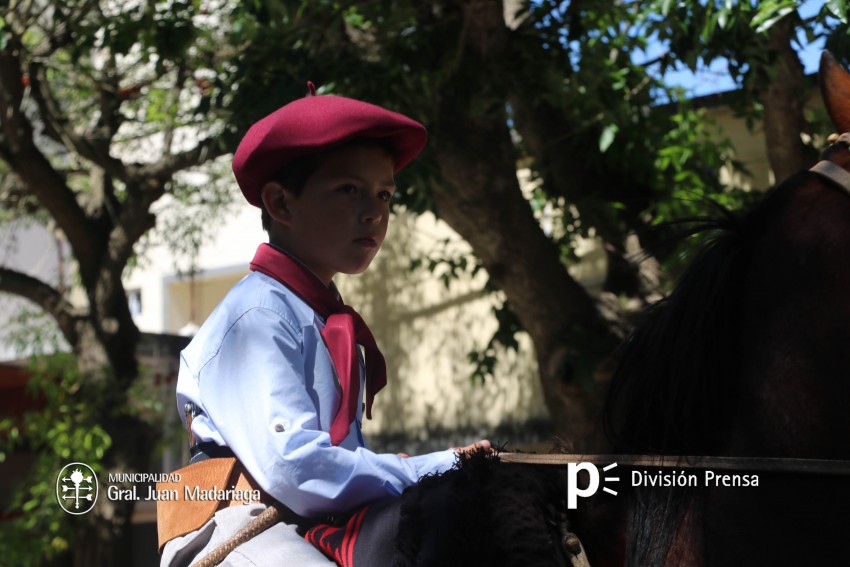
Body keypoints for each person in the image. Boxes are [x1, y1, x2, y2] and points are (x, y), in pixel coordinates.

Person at [158, 84, 492, 567]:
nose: (374, 212)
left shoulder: (323, 316)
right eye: (348, 190)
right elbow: (295, 466)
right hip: (236, 522)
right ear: (281, 204)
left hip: (302, 517)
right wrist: (433, 467)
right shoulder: (258, 315)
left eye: (384, 194)